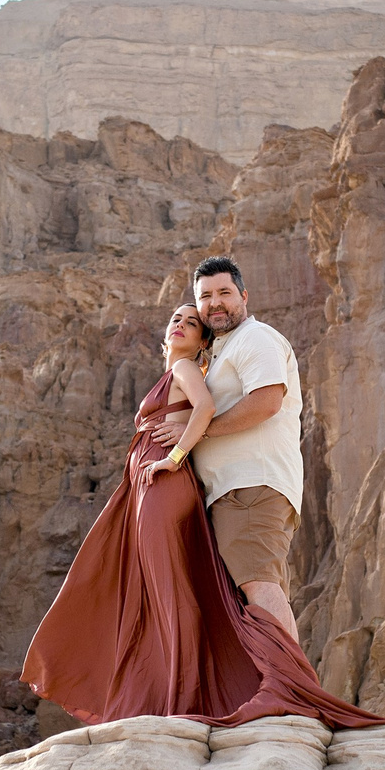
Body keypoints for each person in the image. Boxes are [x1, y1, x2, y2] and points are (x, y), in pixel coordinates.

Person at [19, 294, 385, 763]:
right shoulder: (178, 370)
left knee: (169, 590)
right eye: (175, 318)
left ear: (204, 340)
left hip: (166, 482)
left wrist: (175, 454)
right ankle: (180, 694)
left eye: (191, 321)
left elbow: (205, 410)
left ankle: (215, 694)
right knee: (161, 590)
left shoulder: (187, 371)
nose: (180, 324)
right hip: (156, 485)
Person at [146, 256, 304, 644]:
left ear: (243, 296)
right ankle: (279, 687)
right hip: (231, 492)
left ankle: (292, 689)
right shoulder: (218, 357)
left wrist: (197, 434)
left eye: (224, 293)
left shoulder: (256, 337)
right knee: (252, 590)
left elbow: (267, 402)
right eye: (206, 296)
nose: (215, 303)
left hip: (251, 484)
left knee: (258, 585)